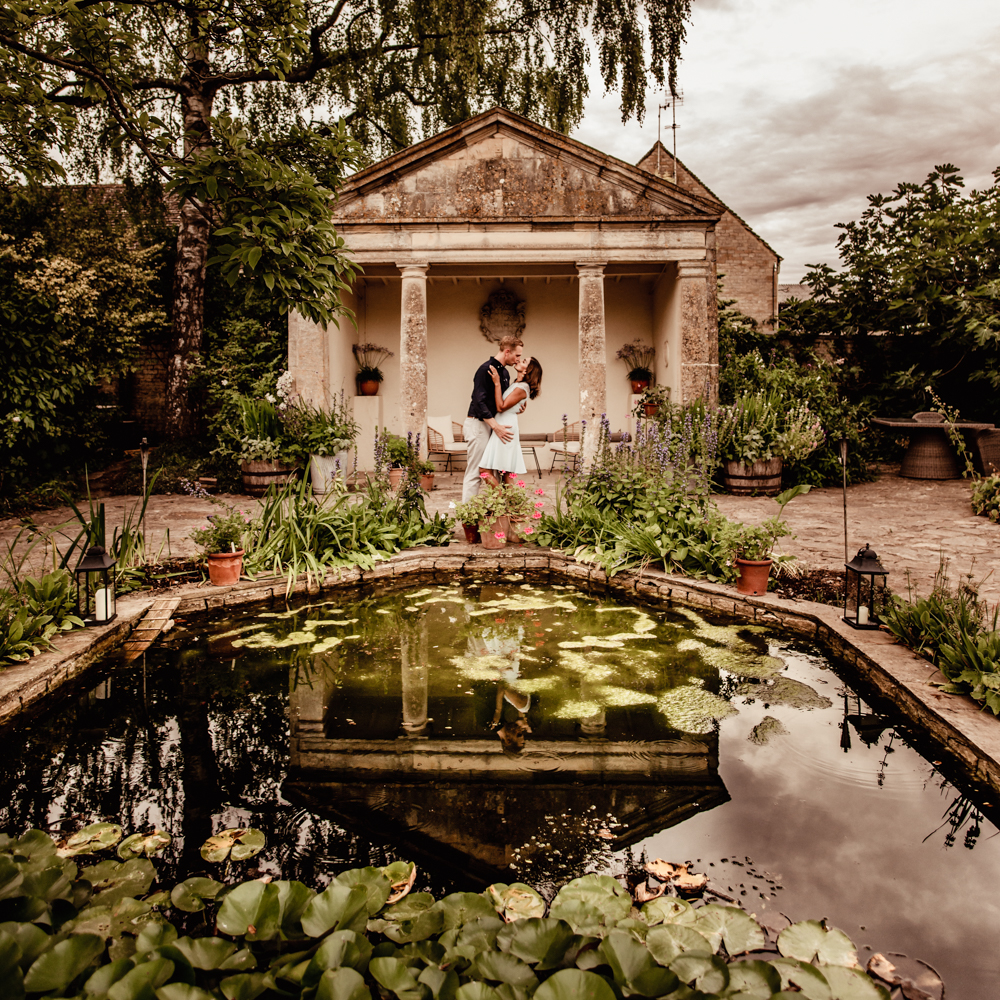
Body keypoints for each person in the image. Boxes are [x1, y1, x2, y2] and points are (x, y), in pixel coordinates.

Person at [462, 336, 523, 502]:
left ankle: (500, 511)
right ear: (507, 351)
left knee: (497, 469)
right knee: (476, 471)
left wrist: (516, 408)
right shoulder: (485, 369)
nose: (518, 359)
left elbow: (500, 403)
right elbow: (478, 401)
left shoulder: (505, 372)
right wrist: (495, 426)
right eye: (517, 355)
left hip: (494, 425)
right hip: (479, 424)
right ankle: (467, 513)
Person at [480, 356, 543, 485]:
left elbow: (501, 407)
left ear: (527, 370)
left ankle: (500, 497)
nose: (519, 360)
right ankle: (506, 498)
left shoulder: (522, 387)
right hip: (504, 426)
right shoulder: (517, 384)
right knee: (505, 472)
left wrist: (497, 383)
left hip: (505, 428)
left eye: (524, 361)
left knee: (487, 470)